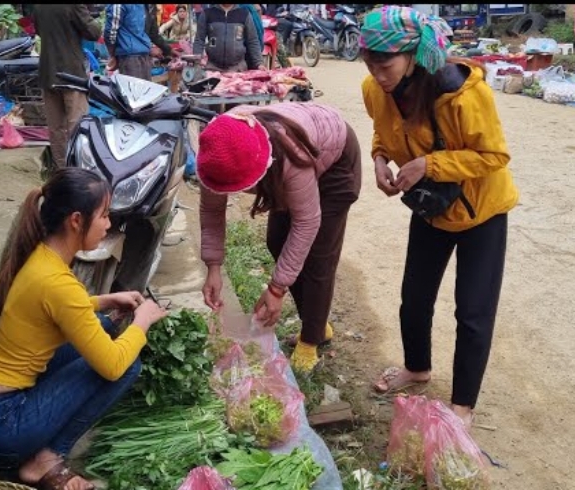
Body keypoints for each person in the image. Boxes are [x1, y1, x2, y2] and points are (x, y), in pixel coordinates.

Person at [0, 167, 168, 490]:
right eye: (105, 215)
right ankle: (45, 459)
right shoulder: (58, 283)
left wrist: (105, 301)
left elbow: (51, 306)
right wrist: (142, 320)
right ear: (76, 221)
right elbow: (111, 365)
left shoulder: (35, 252)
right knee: (125, 364)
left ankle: (31, 451)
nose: (109, 224)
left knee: (103, 326)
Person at [359, 6, 519, 429]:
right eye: (369, 61)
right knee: (414, 298)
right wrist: (378, 159)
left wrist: (430, 166)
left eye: (385, 63)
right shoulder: (375, 89)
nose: (377, 73)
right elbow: (382, 128)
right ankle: (417, 368)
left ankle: (462, 405)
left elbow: (495, 155)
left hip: (482, 212)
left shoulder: (465, 94)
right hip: (432, 210)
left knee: (472, 311)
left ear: (413, 55)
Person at [197, 103, 362, 374]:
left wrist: (276, 289)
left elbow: (307, 222)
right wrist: (213, 267)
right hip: (288, 162)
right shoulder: (215, 154)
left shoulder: (287, 154)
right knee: (277, 240)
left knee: (318, 257)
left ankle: (311, 339)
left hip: (335, 162)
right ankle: (317, 323)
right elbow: (212, 211)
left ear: (260, 168)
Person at [33, 5, 101, 170]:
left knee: (56, 128)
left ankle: (62, 171)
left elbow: (40, 31)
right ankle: (78, 170)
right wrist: (94, 18)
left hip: (48, 71)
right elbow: (93, 32)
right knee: (77, 125)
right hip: (71, 74)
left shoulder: (38, 7)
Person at [105, 4, 176, 80]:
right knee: (142, 89)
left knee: (135, 89)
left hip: (131, 56)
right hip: (137, 54)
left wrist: (112, 53)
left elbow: (110, 32)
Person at [193, 4, 264, 73]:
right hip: (212, 68)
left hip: (238, 70)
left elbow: (252, 41)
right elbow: (199, 40)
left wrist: (259, 63)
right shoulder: (207, 13)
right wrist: (196, 62)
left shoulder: (244, 14)